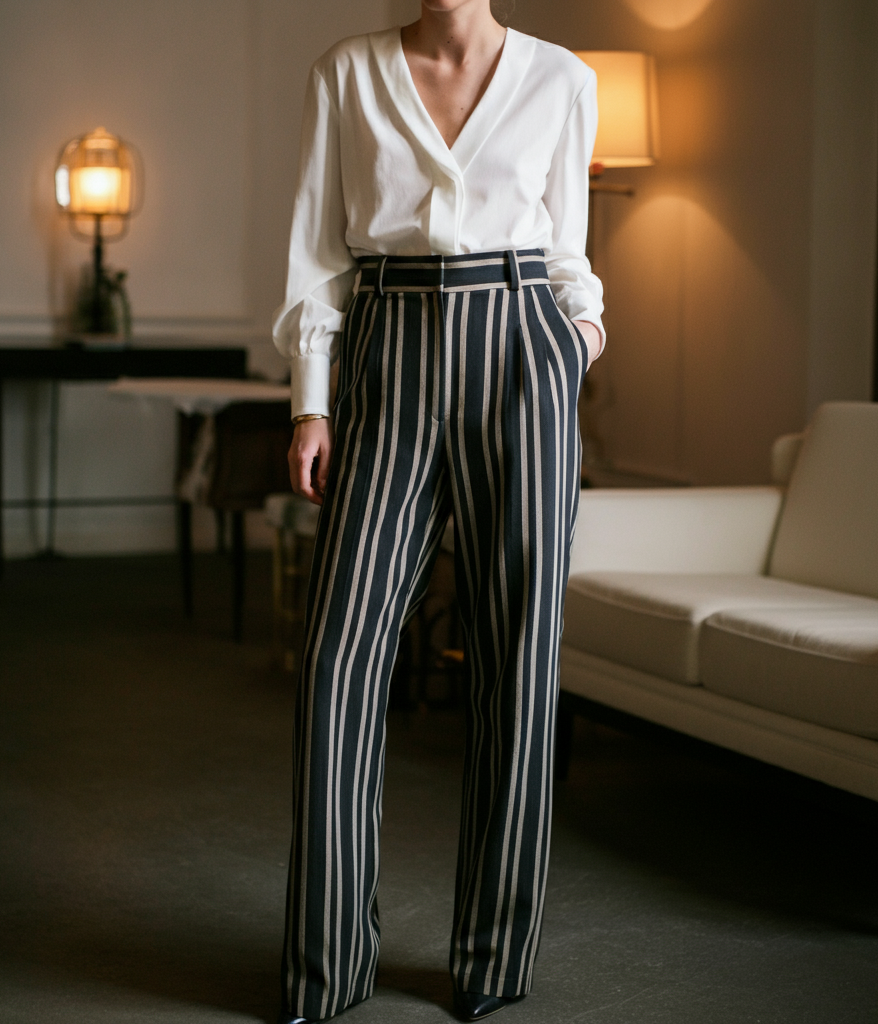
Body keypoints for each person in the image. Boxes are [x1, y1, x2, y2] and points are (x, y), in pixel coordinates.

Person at [272, 2, 604, 1021]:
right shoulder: (346, 72)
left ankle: (492, 966)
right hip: (388, 348)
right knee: (338, 661)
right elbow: (315, 251)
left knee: (517, 660)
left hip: (521, 348)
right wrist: (312, 399)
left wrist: (575, 343)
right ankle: (324, 972)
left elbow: (569, 247)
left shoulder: (563, 79)